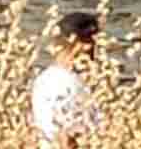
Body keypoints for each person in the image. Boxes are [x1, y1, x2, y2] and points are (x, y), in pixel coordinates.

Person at [31, 11, 102, 149]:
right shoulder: (62, 83)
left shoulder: (49, 78)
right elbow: (66, 137)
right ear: (73, 41)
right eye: (88, 39)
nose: (93, 46)